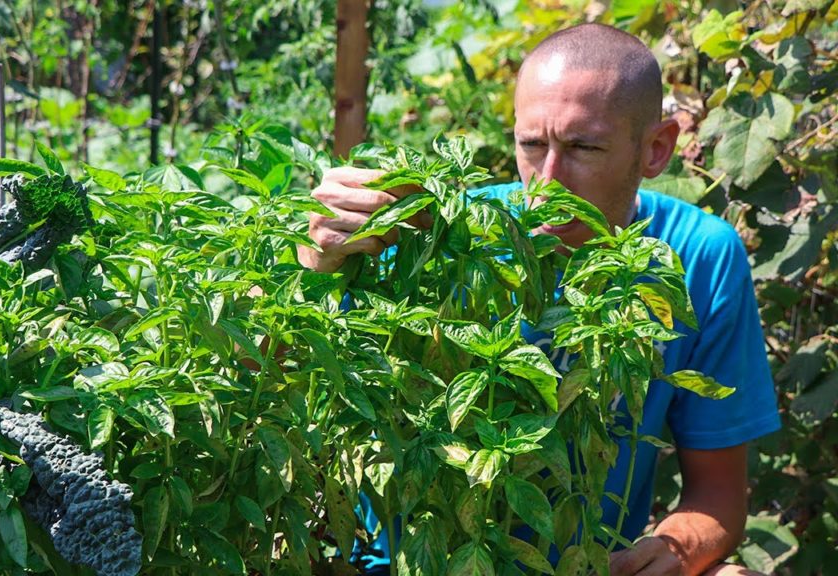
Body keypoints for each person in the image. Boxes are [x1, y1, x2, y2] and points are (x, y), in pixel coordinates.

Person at [297, 23, 781, 576]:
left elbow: (718, 495)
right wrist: (317, 262)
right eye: (531, 145)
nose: (546, 181)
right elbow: (271, 372)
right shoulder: (442, 233)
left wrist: (675, 548)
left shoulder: (696, 256)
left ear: (655, 149)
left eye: (583, 147)